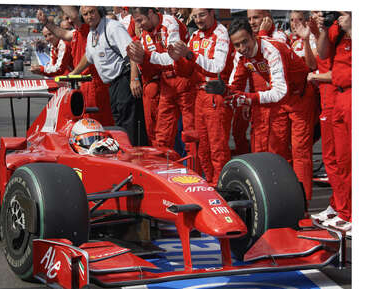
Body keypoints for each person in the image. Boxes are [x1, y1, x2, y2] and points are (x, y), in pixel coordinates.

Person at [206, 18, 314, 202]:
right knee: (275, 148)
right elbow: (235, 85)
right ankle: (277, 197)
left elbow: (280, 91)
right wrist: (223, 91)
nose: (242, 48)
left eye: (245, 41)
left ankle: (301, 205)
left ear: (254, 36)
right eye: (237, 44)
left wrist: (247, 98)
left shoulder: (272, 49)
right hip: (279, 99)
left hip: (299, 96)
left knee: (300, 152)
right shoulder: (240, 55)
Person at [167, 8, 235, 187]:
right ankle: (211, 184)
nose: (198, 20)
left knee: (217, 147)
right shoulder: (195, 36)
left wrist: (190, 55)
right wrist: (178, 59)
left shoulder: (221, 33)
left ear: (213, 13)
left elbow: (218, 66)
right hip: (198, 96)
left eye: (202, 15)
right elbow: (186, 72)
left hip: (215, 95)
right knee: (202, 148)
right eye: (195, 16)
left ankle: (222, 187)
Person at [68, 6, 147, 146]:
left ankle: (134, 157)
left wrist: (134, 79)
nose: (89, 16)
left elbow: (132, 51)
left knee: (129, 124)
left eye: (92, 12)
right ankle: (124, 156)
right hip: (112, 84)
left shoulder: (113, 27)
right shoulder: (93, 33)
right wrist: (74, 73)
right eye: (85, 14)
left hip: (125, 79)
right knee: (119, 123)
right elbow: (89, 56)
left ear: (99, 11)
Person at [37, 6, 115, 127]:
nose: (69, 21)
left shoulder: (86, 30)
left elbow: (73, 16)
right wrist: (46, 22)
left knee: (94, 123)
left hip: (92, 82)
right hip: (84, 83)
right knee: (86, 122)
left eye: (70, 18)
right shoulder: (77, 33)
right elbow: (62, 33)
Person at [128, 7, 192, 151]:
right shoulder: (144, 35)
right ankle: (164, 171)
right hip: (166, 83)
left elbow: (172, 58)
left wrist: (147, 57)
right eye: (136, 21)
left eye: (140, 20)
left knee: (190, 134)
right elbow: (150, 68)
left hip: (185, 81)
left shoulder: (170, 22)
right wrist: (140, 61)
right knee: (162, 135)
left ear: (150, 13)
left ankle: (194, 171)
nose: (138, 25)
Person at [311, 11, 352, 233]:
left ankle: (350, 211)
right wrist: (326, 29)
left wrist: (353, 29)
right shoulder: (337, 24)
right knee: (340, 160)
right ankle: (344, 210)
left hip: (352, 93)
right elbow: (323, 53)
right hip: (339, 94)